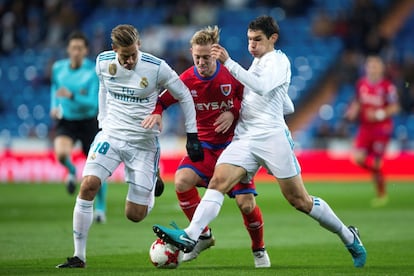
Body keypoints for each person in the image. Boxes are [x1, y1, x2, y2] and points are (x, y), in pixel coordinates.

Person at [153, 15, 367, 268]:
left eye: (257, 40)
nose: (252, 45)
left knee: (299, 200)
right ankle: (192, 235)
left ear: (272, 39)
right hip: (245, 137)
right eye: (249, 40)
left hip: (271, 137)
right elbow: (284, 102)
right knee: (218, 181)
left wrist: (229, 63)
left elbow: (263, 88)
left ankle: (347, 235)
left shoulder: (278, 60)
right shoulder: (257, 63)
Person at [56, 24, 203, 268]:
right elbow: (104, 87)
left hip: (143, 144)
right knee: (89, 185)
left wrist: (192, 134)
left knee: (135, 215)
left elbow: (184, 95)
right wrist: (102, 122)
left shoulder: (156, 67)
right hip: (111, 136)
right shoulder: (103, 62)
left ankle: (152, 179)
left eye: (134, 54)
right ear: (114, 49)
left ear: (140, 47)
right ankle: (78, 256)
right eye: (125, 56)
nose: (130, 61)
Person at [144, 26, 283, 267]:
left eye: (206, 57)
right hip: (205, 149)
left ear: (216, 53)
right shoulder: (185, 79)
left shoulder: (231, 75)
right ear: (191, 52)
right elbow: (162, 101)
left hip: (234, 148)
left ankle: (259, 249)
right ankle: (203, 235)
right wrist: (157, 114)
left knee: (246, 204)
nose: (201, 62)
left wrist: (233, 111)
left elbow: (251, 100)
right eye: (196, 57)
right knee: (181, 181)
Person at [50, 31, 108, 222]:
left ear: (86, 51)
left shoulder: (92, 72)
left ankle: (100, 208)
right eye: (73, 48)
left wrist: (72, 96)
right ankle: (72, 171)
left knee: (97, 168)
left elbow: (92, 104)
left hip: (88, 122)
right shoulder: (58, 68)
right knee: (60, 154)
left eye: (80, 48)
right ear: (68, 49)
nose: (76, 52)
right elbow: (54, 89)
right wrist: (54, 107)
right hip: (67, 120)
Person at [345, 55, 399, 207]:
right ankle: (378, 174)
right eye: (369, 66)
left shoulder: (387, 87)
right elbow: (358, 101)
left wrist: (378, 114)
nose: (372, 69)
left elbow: (395, 107)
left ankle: (381, 193)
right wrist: (353, 110)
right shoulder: (361, 84)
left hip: (381, 128)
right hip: (365, 127)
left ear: (381, 68)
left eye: (375, 66)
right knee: (357, 158)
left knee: (376, 162)